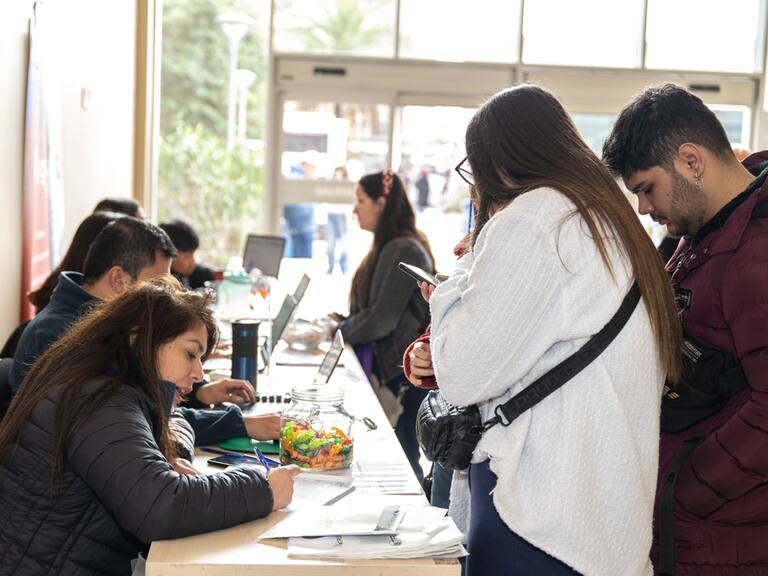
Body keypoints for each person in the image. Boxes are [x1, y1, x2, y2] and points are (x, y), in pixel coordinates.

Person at [429, 85, 680, 575]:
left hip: (538, 518)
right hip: (599, 520)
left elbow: (460, 373)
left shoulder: (535, 220)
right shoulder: (605, 218)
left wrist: (455, 281)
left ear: (499, 162)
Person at [0, 278, 299, 575]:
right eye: (190, 354)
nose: (198, 373)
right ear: (139, 339)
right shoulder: (99, 400)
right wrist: (263, 487)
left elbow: (173, 421)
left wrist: (165, 454)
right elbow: (160, 507)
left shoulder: (114, 385)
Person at [602, 83, 768, 575]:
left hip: (725, 538)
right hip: (690, 529)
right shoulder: (696, 236)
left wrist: (685, 485)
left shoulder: (756, 255)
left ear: (691, 161)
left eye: (646, 188)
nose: (643, 208)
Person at [10, 216, 277, 443]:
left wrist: (198, 392)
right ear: (118, 279)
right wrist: (239, 424)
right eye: (158, 284)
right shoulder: (67, 335)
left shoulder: (105, 321)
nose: (169, 293)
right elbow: (135, 421)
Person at [336, 169, 435, 482]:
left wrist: (337, 333)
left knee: (403, 462)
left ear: (380, 203)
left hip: (402, 379)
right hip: (398, 372)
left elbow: (381, 319)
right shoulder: (393, 245)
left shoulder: (402, 249)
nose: (355, 209)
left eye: (360, 200)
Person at [159, 219, 217, 289]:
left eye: (193, 254)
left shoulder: (185, 273)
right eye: (187, 256)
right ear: (168, 255)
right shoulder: (163, 286)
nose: (193, 262)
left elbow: (203, 273)